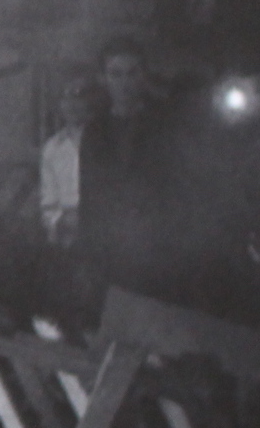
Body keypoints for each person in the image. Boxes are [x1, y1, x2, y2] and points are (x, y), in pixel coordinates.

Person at [76, 36, 182, 304]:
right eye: (116, 74)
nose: (125, 83)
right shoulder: (95, 131)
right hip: (110, 248)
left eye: (132, 73)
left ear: (144, 75)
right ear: (103, 78)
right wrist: (87, 252)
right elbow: (89, 194)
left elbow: (178, 187)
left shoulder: (165, 124)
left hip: (157, 250)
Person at [38, 74, 97, 248]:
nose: (71, 104)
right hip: (66, 237)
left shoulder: (103, 140)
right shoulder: (53, 147)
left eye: (78, 95)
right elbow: (49, 200)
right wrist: (57, 224)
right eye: (65, 96)